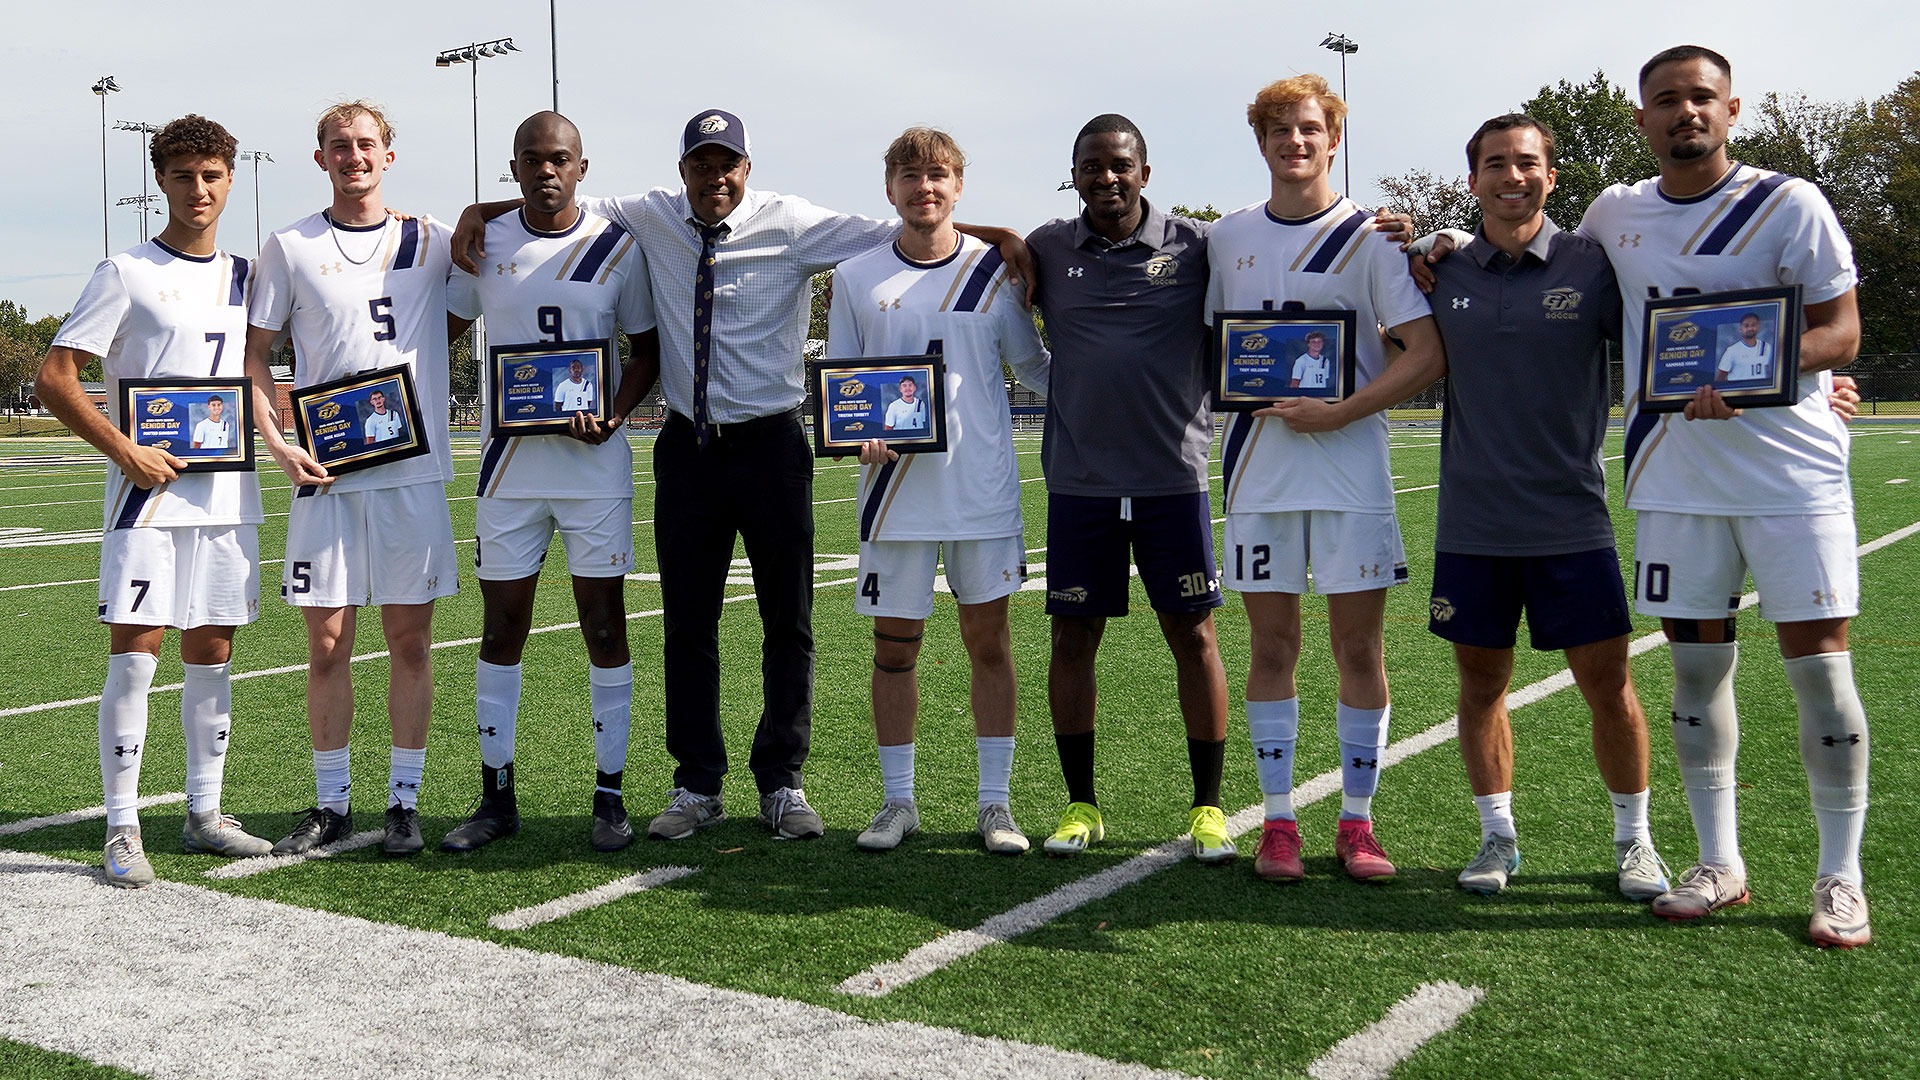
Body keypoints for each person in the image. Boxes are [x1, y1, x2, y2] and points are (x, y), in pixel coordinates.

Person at [455, 108, 1030, 842]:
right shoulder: (651, 214)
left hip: (770, 444)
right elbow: (555, 195)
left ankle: (782, 782)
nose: (715, 178)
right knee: (689, 624)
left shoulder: (792, 221)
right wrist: (481, 208)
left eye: (728, 165)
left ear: (747, 170)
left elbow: (907, 225)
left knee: (786, 622)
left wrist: (999, 236)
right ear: (683, 170)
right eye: (701, 165)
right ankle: (696, 783)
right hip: (689, 446)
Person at [1581, 46, 1870, 947]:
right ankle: (1720, 861)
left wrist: (1765, 375)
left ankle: (1840, 876)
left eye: (1700, 97)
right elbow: (1541, 270)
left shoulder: (1791, 202)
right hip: (1674, 474)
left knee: (1821, 673)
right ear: (1642, 120)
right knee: (1696, 670)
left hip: (1792, 476)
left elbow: (1843, 330)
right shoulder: (1613, 214)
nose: (1685, 113)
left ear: (1731, 108)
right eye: (1666, 101)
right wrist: (1433, 247)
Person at [1421, 113, 1669, 900]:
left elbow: (1673, 337)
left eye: (1526, 163)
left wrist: (1804, 377)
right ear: (1474, 181)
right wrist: (1426, 238)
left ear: (1551, 177)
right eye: (1495, 163)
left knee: (1610, 688)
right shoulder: (1441, 268)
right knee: (1479, 685)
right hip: (1473, 524)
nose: (1511, 176)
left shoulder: (1592, 265)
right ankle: (1497, 835)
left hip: (1571, 520)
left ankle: (1635, 840)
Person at [1205, 75, 1446, 883]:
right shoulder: (1226, 238)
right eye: (1279, 130)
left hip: (1350, 476)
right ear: (1262, 142)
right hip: (1259, 477)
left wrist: (1343, 410)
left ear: (1333, 139)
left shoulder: (1372, 239)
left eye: (1309, 128)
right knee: (1271, 646)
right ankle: (1278, 822)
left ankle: (1356, 820)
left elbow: (1426, 351)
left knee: (1358, 645)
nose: (1295, 142)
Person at [36, 114, 274, 887]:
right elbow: (56, 377)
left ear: (231, 179)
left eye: (211, 175)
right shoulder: (126, 270)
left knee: (212, 653)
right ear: (160, 182)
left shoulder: (251, 275)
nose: (198, 189)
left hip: (227, 498)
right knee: (136, 659)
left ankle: (204, 813)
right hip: (150, 500)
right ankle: (121, 825)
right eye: (182, 176)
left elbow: (260, 379)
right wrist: (125, 450)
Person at [440, 111, 660, 854]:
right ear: (514, 166)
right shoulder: (482, 242)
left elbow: (647, 350)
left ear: (581, 166)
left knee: (603, 624)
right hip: (507, 466)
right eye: (531, 159)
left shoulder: (616, 245)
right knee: (502, 627)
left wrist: (618, 411)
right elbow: (438, 332)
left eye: (559, 158)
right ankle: (495, 797)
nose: (545, 170)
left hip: (594, 468)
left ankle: (610, 796)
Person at [242, 101, 459, 858]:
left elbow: (506, 238)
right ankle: (331, 804)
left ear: (389, 156)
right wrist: (275, 440)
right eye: (340, 146)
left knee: (410, 639)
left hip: (410, 473)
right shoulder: (290, 245)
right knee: (327, 642)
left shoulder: (430, 240)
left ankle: (404, 803)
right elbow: (256, 350)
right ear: (321, 157)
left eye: (367, 145)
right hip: (326, 472)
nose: (354, 156)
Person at [829, 127, 1049, 855]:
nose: (926, 187)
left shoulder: (996, 272)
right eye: (912, 174)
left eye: (940, 175)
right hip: (894, 498)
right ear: (890, 187)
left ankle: (996, 804)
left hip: (981, 493)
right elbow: (842, 388)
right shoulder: (857, 277)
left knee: (990, 645)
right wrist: (854, 432)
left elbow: (1036, 370)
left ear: (960, 187)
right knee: (895, 650)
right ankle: (898, 802)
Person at [1025, 114, 1235, 864]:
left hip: (1171, 479)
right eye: (1090, 166)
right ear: (1073, 174)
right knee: (1073, 638)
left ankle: (1208, 807)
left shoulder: (1201, 246)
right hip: (1080, 482)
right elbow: (987, 247)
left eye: (1119, 165)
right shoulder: (1048, 247)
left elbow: (1280, 250)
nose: (1105, 177)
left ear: (1145, 171)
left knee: (1195, 635)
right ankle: (1082, 804)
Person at [1715, 313, 1772, 384]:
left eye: (1753, 325)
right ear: (1740, 329)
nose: (1750, 328)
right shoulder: (1732, 350)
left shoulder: (1767, 347)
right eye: (1746, 326)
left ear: (1758, 327)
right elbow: (1720, 376)